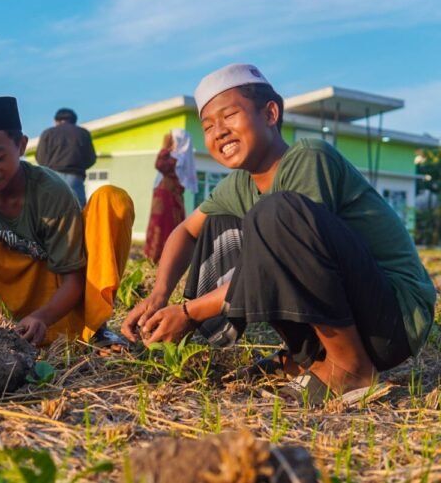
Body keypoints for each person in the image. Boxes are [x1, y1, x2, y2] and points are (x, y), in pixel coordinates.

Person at [121, 63, 436, 405]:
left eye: (229, 116)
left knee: (274, 214)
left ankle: (352, 369)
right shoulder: (240, 184)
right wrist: (159, 294)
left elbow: (290, 258)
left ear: (270, 113)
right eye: (208, 126)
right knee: (219, 223)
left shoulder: (308, 158)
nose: (219, 132)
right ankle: (310, 358)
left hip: (393, 320)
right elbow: (185, 230)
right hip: (355, 311)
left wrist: (189, 311)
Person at [0, 97, 134, 347]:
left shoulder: (52, 193)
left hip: (56, 317)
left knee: (112, 199)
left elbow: (74, 278)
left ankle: (95, 330)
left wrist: (41, 317)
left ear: (21, 145)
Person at [144, 129, 197, 263]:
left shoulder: (179, 157)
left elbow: (160, 164)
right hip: (164, 195)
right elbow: (160, 165)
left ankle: (170, 257)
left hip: (171, 196)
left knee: (172, 225)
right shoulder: (175, 156)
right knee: (160, 224)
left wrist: (165, 149)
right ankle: (155, 256)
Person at [36, 108, 96, 207]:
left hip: (52, 177)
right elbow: (91, 159)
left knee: (52, 211)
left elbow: (40, 157)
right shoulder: (83, 133)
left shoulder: (48, 133)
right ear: (74, 121)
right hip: (75, 177)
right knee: (78, 211)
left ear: (56, 121)